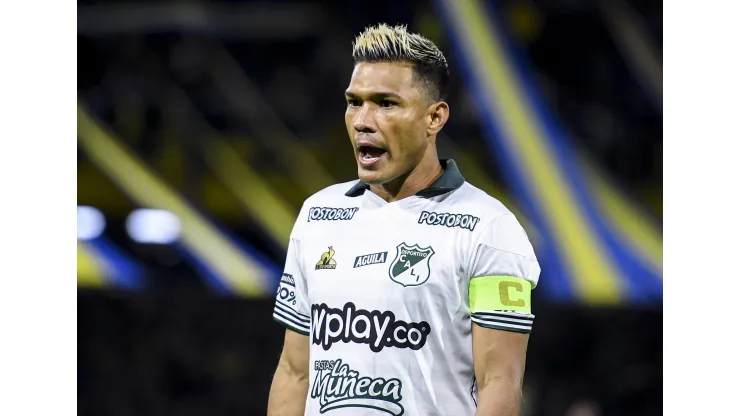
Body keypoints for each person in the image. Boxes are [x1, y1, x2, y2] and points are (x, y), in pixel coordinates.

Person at [267, 23, 540, 416]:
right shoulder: (317, 215)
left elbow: (500, 382)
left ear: (435, 118)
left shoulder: (488, 228)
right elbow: (295, 372)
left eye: (386, 103)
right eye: (354, 101)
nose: (363, 120)